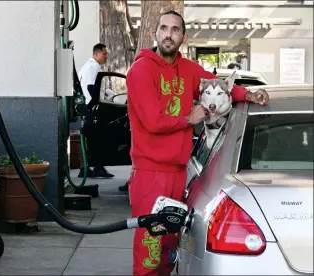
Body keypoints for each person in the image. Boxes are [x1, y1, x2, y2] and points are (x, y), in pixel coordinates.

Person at [126, 10, 269, 276]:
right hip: (150, 173)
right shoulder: (140, 70)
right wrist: (187, 118)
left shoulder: (188, 70)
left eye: (175, 30)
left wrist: (248, 94)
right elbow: (152, 121)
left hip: (179, 173)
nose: (169, 34)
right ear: (154, 33)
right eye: (164, 28)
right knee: (149, 252)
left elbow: (219, 87)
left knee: (169, 251)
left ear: (184, 36)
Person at [77, 43, 114, 178]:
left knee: (92, 140)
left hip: (87, 108)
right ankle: (97, 167)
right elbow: (91, 88)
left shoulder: (88, 66)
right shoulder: (94, 67)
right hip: (93, 109)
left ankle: (87, 167)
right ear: (96, 54)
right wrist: (97, 104)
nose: (107, 56)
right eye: (104, 53)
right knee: (99, 139)